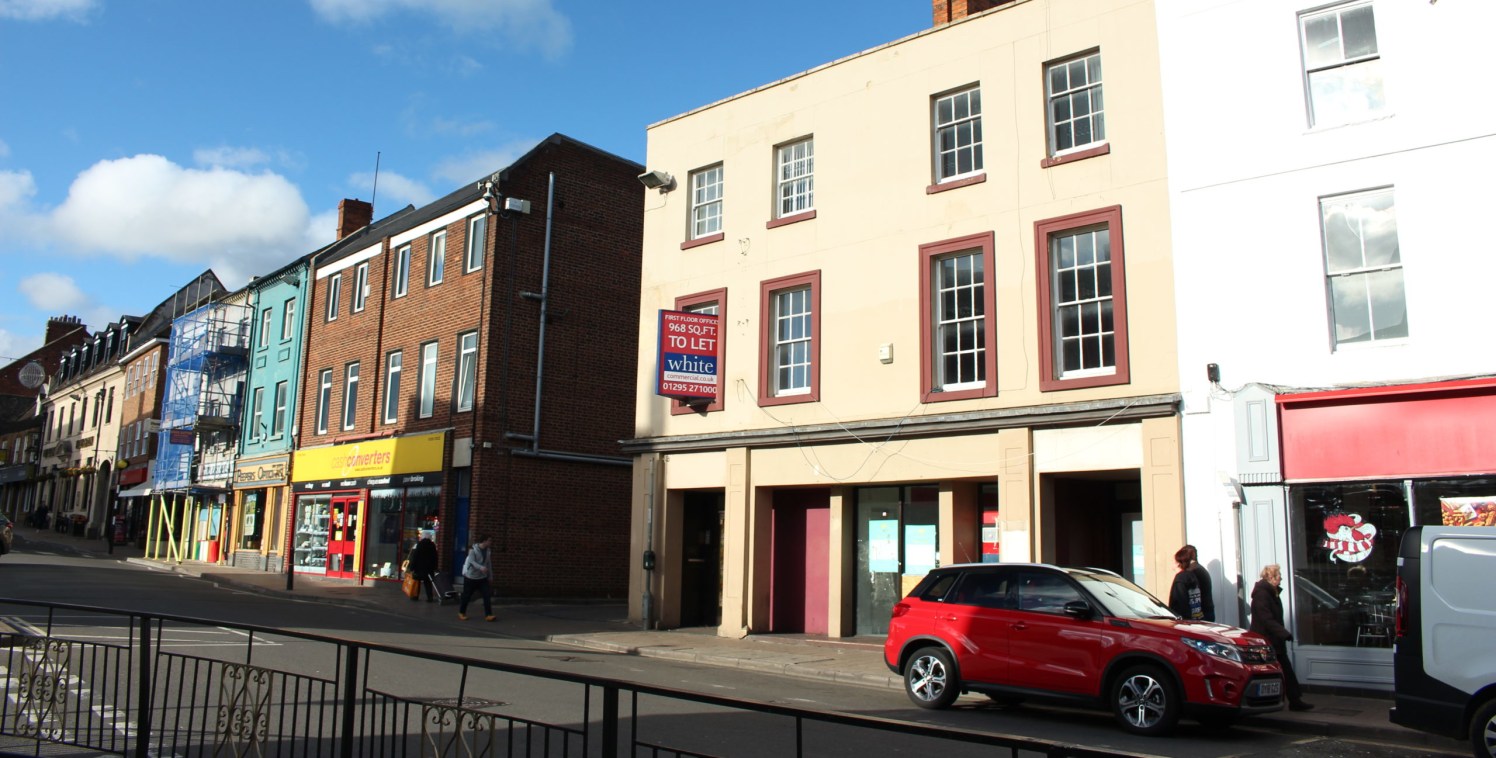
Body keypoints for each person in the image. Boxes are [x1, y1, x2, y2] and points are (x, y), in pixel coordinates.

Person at [1250, 564, 1314, 712]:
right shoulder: (1262, 595)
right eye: (1279, 575)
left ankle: (1294, 700)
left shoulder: (1271, 593)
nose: (1281, 578)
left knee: (1286, 670)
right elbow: (1266, 619)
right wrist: (1284, 633)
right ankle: (1266, 701)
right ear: (1271, 577)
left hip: (1274, 641)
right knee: (1268, 671)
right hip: (1266, 641)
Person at [1168, 544, 1215, 622]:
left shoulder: (1191, 573)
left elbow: (1184, 599)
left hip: (1201, 613)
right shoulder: (1200, 569)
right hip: (1204, 611)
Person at [458, 535, 495, 621]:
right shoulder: (473, 550)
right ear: (484, 541)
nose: (490, 542)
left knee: (487, 595)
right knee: (467, 596)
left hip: (482, 578)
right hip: (471, 577)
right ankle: (461, 612)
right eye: (489, 541)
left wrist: (490, 576)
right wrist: (481, 567)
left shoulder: (488, 551)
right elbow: (472, 561)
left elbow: (489, 564)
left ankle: (488, 615)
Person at [405, 530, 438, 602]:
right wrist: (435, 567)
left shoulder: (420, 544)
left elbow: (415, 556)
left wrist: (412, 567)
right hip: (429, 568)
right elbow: (435, 557)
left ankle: (415, 596)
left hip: (419, 567)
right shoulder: (432, 545)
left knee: (417, 582)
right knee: (428, 583)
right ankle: (430, 597)